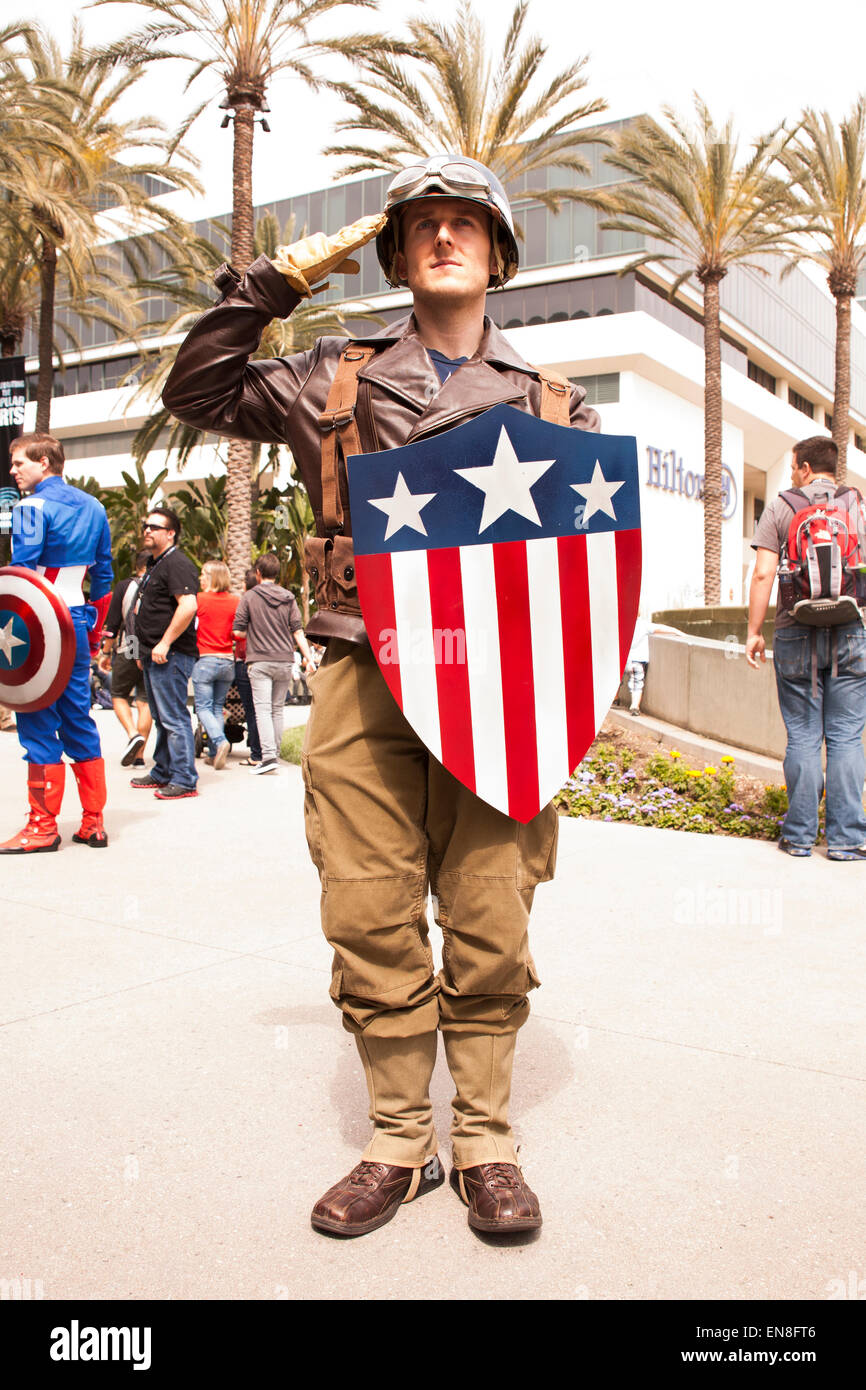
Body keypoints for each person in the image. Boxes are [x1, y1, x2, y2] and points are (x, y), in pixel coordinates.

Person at [162, 155, 601, 1237]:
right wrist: (269, 285)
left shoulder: (555, 408)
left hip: (496, 683)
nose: (442, 237)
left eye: (465, 223)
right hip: (361, 664)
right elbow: (196, 389)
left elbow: (585, 579)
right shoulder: (335, 378)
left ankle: (486, 1140)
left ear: (497, 252)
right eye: (421, 225)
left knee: (490, 909)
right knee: (366, 902)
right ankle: (399, 1139)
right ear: (397, 253)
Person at [746, 435, 866, 860]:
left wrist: (754, 631)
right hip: (850, 628)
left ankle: (798, 836)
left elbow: (763, 574)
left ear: (802, 467)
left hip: (795, 629)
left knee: (802, 736)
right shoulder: (855, 504)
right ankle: (848, 840)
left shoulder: (782, 505)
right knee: (847, 737)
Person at [0, 432, 113, 852]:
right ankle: (93, 822)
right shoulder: (95, 506)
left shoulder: (30, 507)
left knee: (36, 721)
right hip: (78, 622)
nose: (13, 471)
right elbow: (102, 578)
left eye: (18, 463)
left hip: (38, 626)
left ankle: (42, 827)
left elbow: (23, 573)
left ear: (44, 461)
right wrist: (94, 631)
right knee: (78, 719)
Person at [129, 506, 199, 800]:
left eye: (155, 527)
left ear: (171, 534)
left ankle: (184, 779)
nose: (148, 530)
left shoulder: (177, 563)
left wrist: (165, 643)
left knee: (173, 717)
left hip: (170, 654)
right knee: (160, 716)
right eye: (146, 525)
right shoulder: (156, 564)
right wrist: (141, 650)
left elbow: (189, 606)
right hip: (153, 654)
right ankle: (163, 771)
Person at [231, 551, 313, 775]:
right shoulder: (288, 597)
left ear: (258, 573)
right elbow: (297, 631)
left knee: (263, 710)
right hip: (285, 660)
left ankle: (267, 758)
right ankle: (273, 754)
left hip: (260, 661)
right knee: (277, 709)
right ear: (277, 573)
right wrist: (308, 657)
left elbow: (238, 631)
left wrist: (255, 630)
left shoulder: (249, 597)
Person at [99, 549, 152, 766]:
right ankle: (140, 755)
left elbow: (112, 624)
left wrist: (105, 652)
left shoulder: (124, 586)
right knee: (145, 701)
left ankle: (132, 734)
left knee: (118, 694)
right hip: (152, 649)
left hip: (128, 646)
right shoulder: (160, 585)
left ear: (137, 565)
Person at [192, 559, 238, 770]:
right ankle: (213, 754)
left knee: (202, 707)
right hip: (228, 661)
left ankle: (220, 742)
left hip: (206, 660)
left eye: (203, 574)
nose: (200, 578)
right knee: (217, 707)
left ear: (211, 577)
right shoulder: (234, 601)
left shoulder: (199, 599)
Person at [233, 567, 262, 767]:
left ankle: (257, 751)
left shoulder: (245, 601)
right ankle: (264, 748)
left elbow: (237, 632)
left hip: (246, 659)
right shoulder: (262, 602)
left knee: (252, 709)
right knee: (266, 708)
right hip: (265, 657)